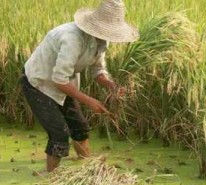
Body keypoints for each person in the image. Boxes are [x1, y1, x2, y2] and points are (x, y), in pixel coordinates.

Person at [20, 0, 139, 172]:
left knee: (80, 129)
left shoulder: (102, 41)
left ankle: (85, 171)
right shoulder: (72, 39)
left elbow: (97, 70)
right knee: (59, 135)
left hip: (65, 84)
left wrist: (111, 85)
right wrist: (89, 101)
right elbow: (58, 80)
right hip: (39, 83)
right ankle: (50, 179)